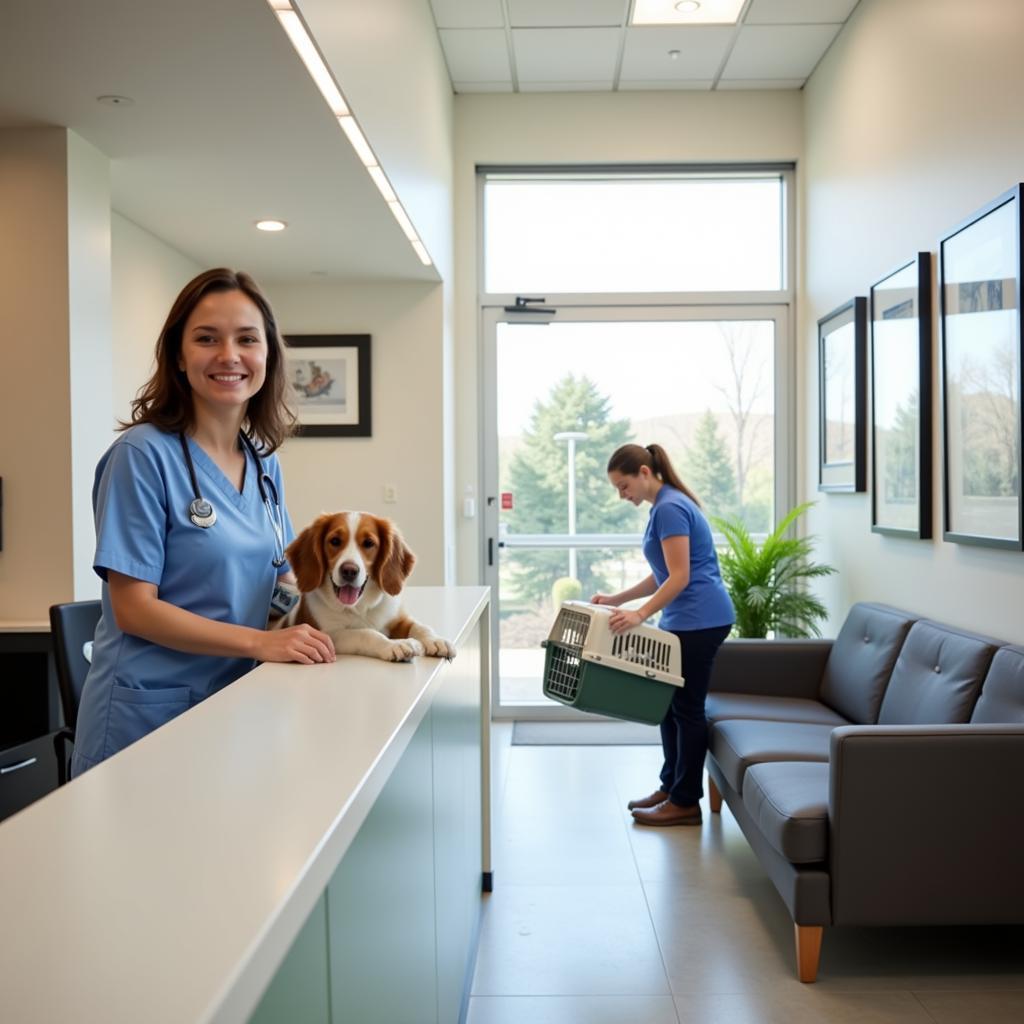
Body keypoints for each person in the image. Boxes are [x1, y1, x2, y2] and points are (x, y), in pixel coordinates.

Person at [70, 268, 335, 777]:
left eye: (247, 339)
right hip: (147, 715)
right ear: (178, 355)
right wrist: (262, 643)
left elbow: (280, 581)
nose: (229, 355)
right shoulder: (141, 456)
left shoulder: (262, 462)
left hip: (235, 703)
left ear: (268, 357)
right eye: (207, 338)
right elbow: (134, 610)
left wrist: (363, 623)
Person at [593, 443, 734, 827]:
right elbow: (663, 572)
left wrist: (640, 614)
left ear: (643, 472)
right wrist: (617, 599)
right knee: (667, 706)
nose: (622, 496)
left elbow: (681, 576)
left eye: (623, 486)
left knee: (686, 709)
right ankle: (670, 788)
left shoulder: (670, 507)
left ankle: (686, 802)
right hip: (685, 619)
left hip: (701, 620)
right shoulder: (665, 506)